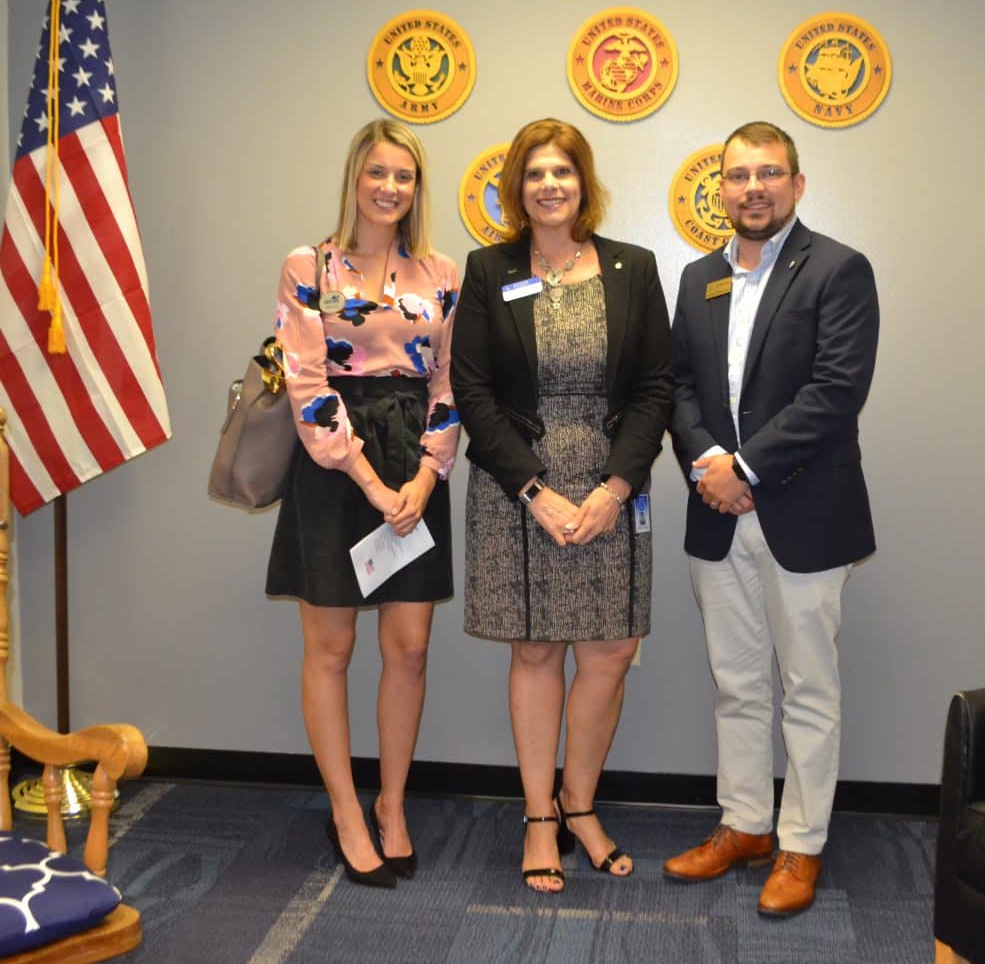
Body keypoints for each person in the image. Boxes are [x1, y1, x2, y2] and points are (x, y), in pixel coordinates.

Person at [451, 118, 673, 894]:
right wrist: (535, 490)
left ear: (584, 183)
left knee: (608, 651)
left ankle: (580, 806)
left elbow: (654, 388)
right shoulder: (488, 270)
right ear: (516, 187)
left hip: (613, 484)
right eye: (535, 173)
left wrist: (615, 488)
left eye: (563, 172)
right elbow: (471, 393)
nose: (549, 185)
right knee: (537, 650)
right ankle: (539, 817)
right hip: (519, 489)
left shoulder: (632, 268)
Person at [663, 121, 879, 916]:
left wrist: (744, 467)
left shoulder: (837, 270)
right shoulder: (695, 278)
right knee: (736, 683)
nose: (752, 188)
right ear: (717, 187)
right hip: (717, 513)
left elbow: (835, 391)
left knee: (807, 687)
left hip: (804, 512)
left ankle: (801, 844)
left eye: (769, 173)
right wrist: (708, 469)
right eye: (737, 175)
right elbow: (677, 387)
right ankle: (746, 823)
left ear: (796, 183)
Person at [266, 119, 460, 888]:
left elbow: (450, 383)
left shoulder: (441, 269)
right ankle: (345, 812)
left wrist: (424, 476)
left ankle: (392, 805)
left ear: (416, 187)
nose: (389, 187)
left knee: (408, 648)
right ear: (355, 178)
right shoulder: (307, 265)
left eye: (403, 176)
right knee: (333, 650)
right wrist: (372, 484)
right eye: (377, 172)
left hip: (413, 463)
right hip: (334, 468)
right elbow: (307, 386)